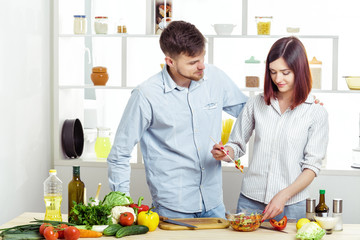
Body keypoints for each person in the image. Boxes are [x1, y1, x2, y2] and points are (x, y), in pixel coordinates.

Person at [107, 20, 248, 218]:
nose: (201, 67)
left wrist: (233, 147)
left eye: (202, 58)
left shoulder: (215, 78)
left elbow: (248, 112)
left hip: (214, 204)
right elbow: (119, 154)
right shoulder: (146, 95)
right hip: (172, 209)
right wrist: (121, 206)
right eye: (192, 63)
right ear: (170, 61)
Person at [211, 36, 329, 221]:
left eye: (285, 72)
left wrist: (284, 195)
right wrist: (225, 152)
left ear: (300, 71)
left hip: (292, 205)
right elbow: (237, 144)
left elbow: (312, 166)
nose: (277, 78)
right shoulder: (256, 103)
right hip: (250, 201)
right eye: (273, 72)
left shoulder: (316, 112)